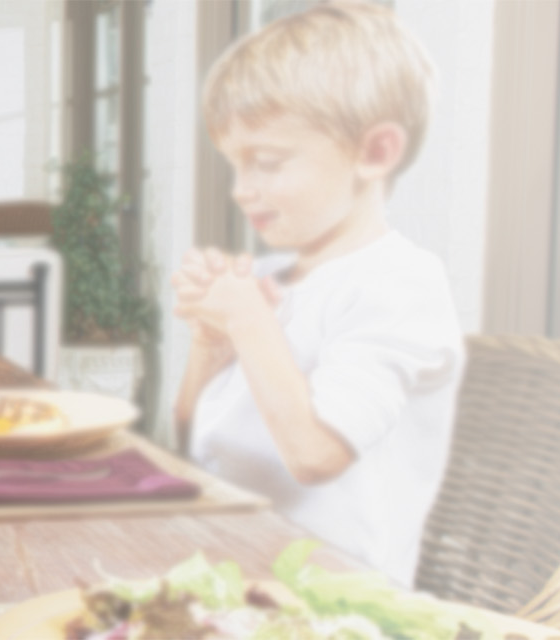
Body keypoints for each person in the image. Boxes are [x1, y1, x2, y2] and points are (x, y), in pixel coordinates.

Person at [171, 2, 464, 586]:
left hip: (333, 607)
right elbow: (187, 445)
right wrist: (211, 345)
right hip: (227, 581)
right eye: (235, 166)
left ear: (375, 153)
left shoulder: (400, 285)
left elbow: (314, 456)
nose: (241, 190)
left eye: (268, 162)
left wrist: (249, 321)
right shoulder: (276, 276)